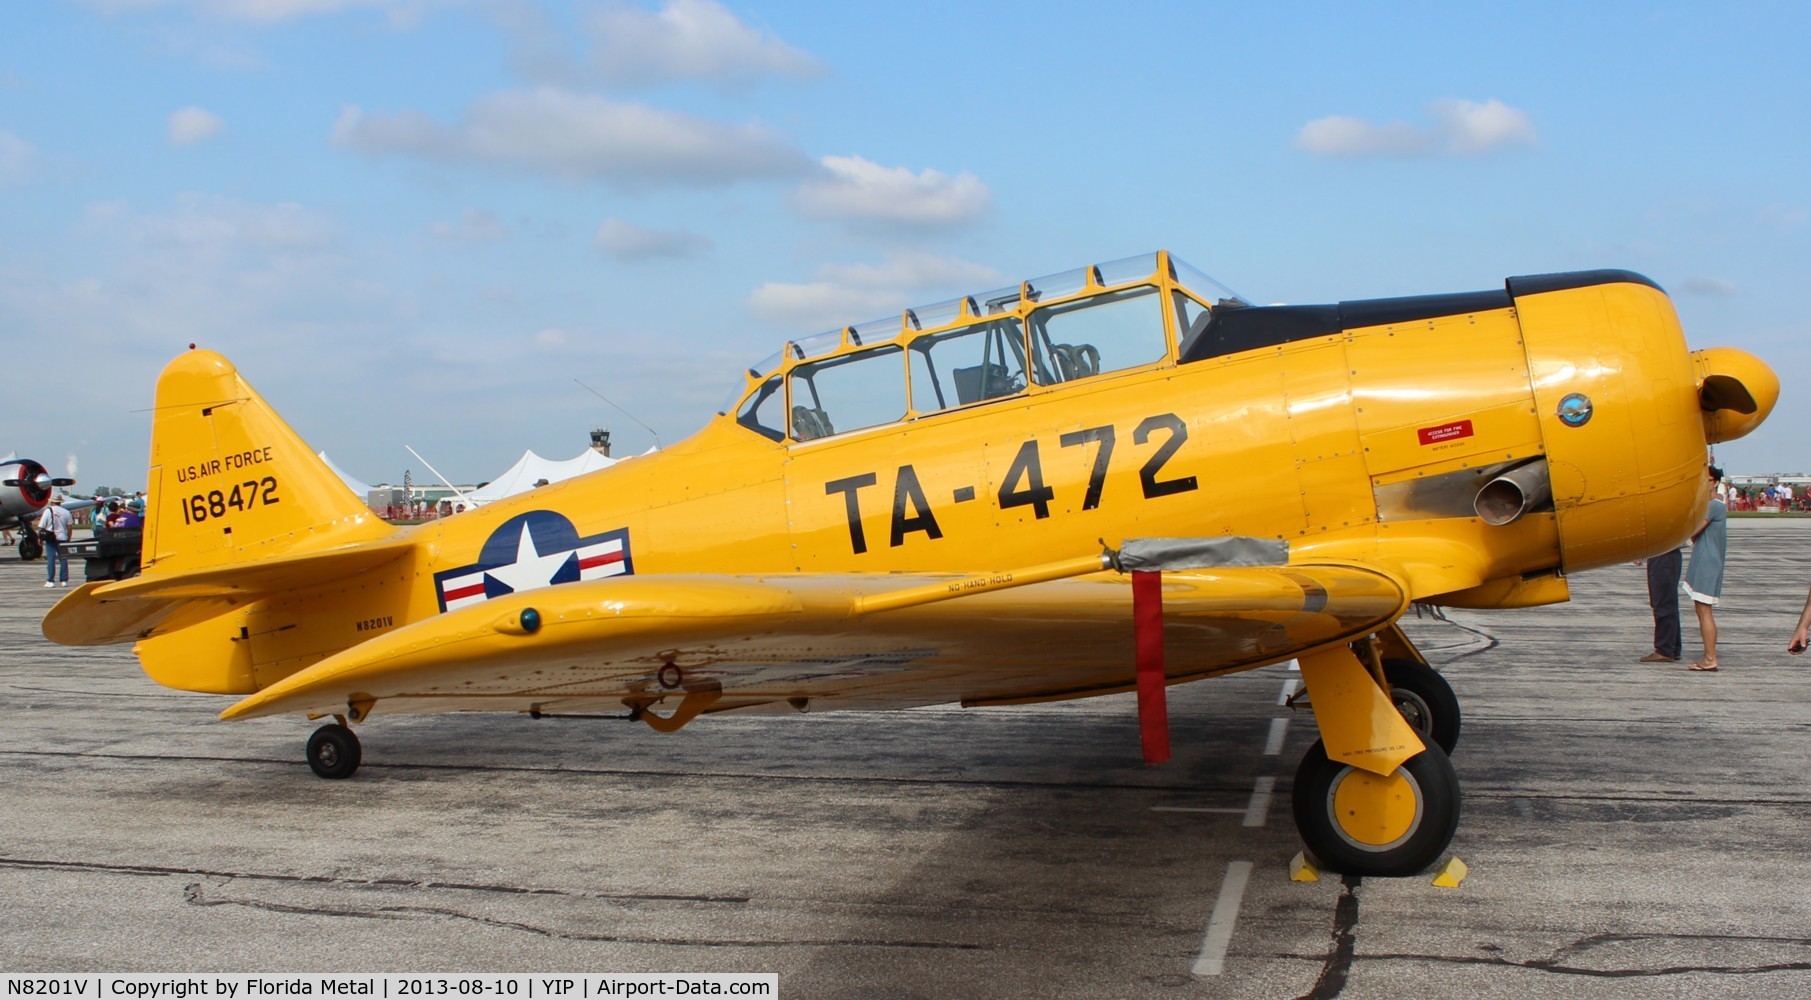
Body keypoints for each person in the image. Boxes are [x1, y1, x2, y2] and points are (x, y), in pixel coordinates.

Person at [1682, 466, 1728, 672]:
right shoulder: (1712, 504)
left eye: (1707, 479)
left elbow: (1694, 528)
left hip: (1707, 562)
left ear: (1716, 482)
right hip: (1704, 559)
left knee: (1704, 610)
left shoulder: (1714, 505)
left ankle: (1710, 657)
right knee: (1701, 610)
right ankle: (1708, 656)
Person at [1640, 546, 1684, 662]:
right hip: (1667, 554)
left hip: (1662, 553)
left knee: (1662, 601)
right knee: (1668, 600)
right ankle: (1673, 647)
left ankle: (1664, 649)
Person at [36, 495, 74, 588]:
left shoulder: (48, 511)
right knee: (63, 559)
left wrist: (40, 538)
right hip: (62, 537)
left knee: (51, 559)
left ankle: (51, 580)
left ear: (52, 502)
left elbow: (41, 526)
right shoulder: (66, 512)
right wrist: (68, 538)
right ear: (60, 502)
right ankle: (64, 580)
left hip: (51, 538)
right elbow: (69, 527)